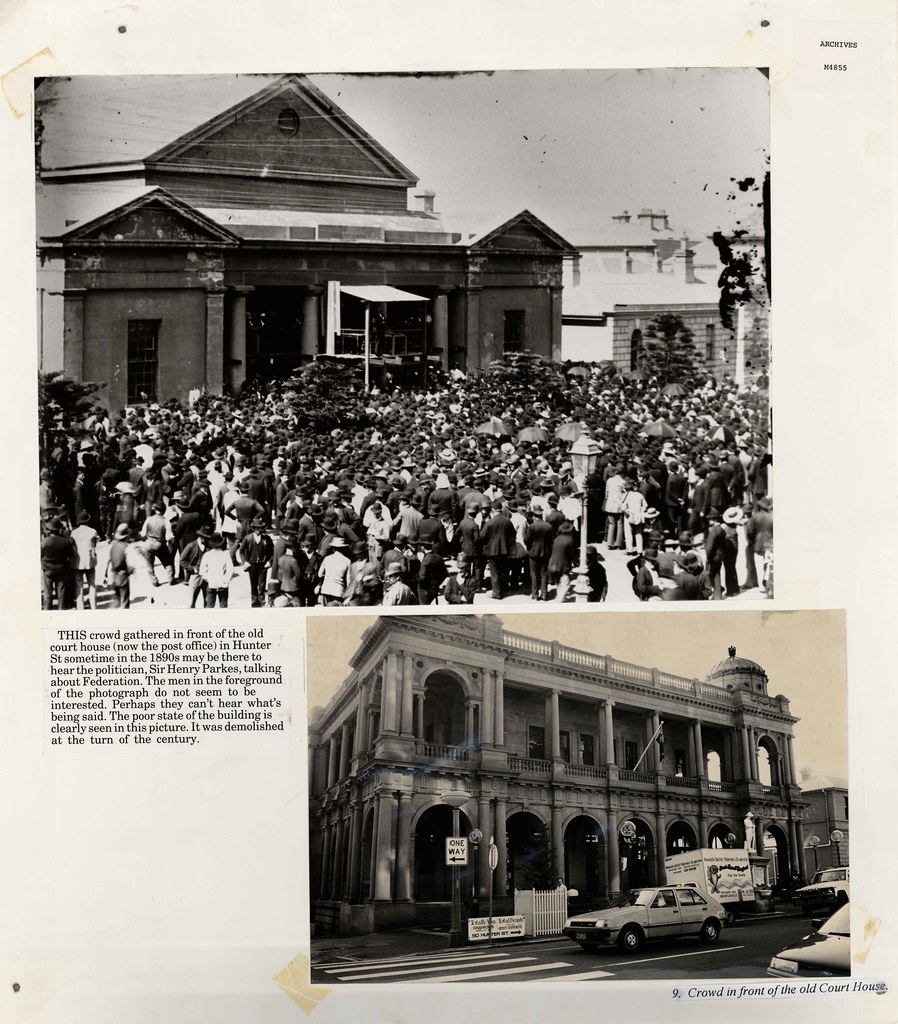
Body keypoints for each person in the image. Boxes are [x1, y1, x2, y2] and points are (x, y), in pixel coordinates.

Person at [41, 517, 77, 610]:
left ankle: (47, 610)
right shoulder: (65, 542)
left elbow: (40, 555)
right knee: (61, 593)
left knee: (48, 593)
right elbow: (71, 556)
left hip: (47, 570)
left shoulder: (44, 542)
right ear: (59, 529)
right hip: (61, 569)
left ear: (50, 529)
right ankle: (61, 611)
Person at [240, 516, 274, 607]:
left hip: (263, 565)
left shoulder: (267, 539)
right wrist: (245, 562)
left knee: (262, 585)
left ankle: (262, 602)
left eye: (260, 528)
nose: (258, 530)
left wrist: (270, 562)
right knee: (253, 584)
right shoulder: (248, 538)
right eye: (256, 528)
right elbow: (241, 551)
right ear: (253, 528)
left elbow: (273, 552)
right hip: (252, 564)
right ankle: (254, 602)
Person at [71, 510, 99, 610]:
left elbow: (72, 545)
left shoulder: (74, 533)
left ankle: (80, 607)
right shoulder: (93, 531)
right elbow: (95, 545)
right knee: (92, 584)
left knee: (79, 585)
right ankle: (93, 606)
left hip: (77, 562)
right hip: (90, 561)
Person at [198, 532, 235, 607]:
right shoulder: (225, 554)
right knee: (223, 605)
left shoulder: (207, 555)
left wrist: (209, 579)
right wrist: (226, 580)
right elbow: (230, 569)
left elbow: (202, 571)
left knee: (210, 605)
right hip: (223, 584)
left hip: (211, 584)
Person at [104, 522, 133, 609]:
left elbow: (107, 560)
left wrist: (105, 575)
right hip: (123, 576)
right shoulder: (127, 547)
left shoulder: (112, 545)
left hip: (113, 576)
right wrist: (131, 571)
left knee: (117, 598)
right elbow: (130, 563)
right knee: (124, 601)